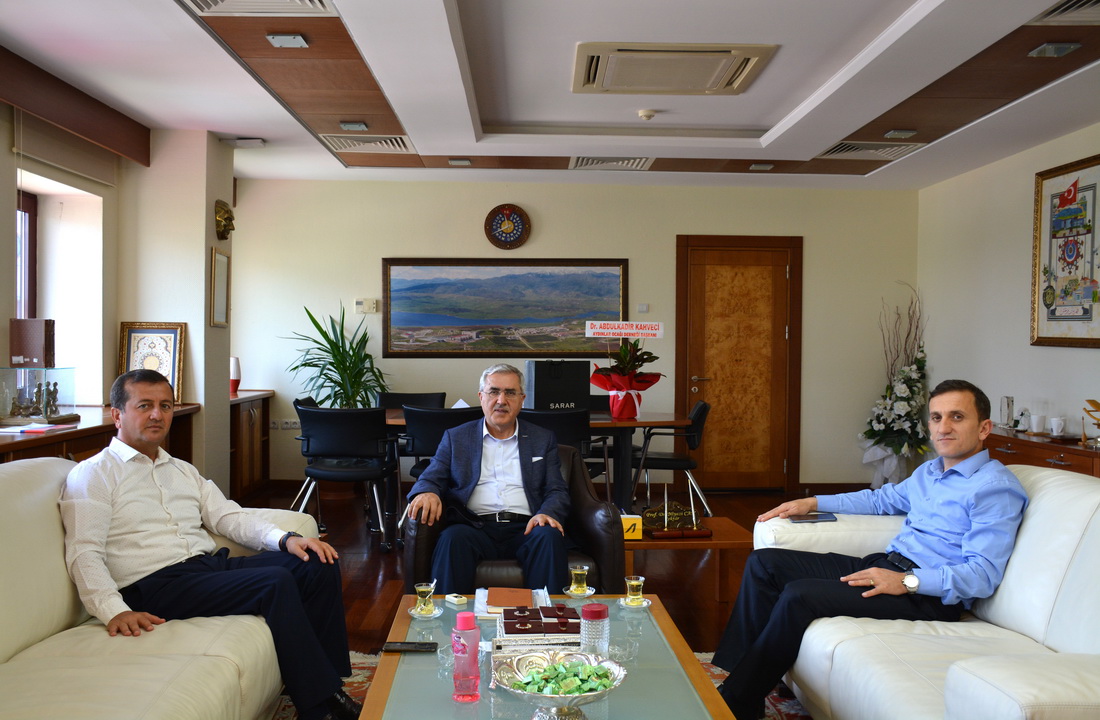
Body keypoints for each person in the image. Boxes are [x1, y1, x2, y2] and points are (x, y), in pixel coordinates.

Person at [712, 379, 1028, 720]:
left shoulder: (994, 489)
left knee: (799, 595)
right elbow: (880, 500)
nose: (943, 427)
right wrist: (813, 501)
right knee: (765, 563)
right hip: (884, 565)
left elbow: (982, 575)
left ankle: (734, 702)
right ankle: (739, 679)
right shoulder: (930, 471)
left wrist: (906, 581)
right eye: (936, 417)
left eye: (957, 417)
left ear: (984, 428)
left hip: (926, 596)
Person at [59, 370, 361, 720]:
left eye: (165, 406)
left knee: (316, 561)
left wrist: (286, 539)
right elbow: (84, 551)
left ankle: (330, 685)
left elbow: (228, 517)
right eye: (144, 405)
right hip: (151, 585)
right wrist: (114, 610)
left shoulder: (181, 470)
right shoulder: (94, 474)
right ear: (117, 414)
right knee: (274, 582)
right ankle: (321, 709)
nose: (157, 414)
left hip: (203, 568)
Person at [406, 363, 571, 594]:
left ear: (522, 399)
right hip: (474, 526)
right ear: (481, 397)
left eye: (510, 393)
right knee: (452, 538)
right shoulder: (456, 437)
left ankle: (548, 614)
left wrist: (547, 513)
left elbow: (556, 489)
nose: (501, 400)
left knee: (548, 536)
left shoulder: (542, 439)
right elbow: (431, 476)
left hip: (527, 527)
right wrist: (427, 492)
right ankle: (449, 615)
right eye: (494, 391)